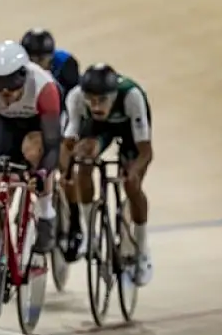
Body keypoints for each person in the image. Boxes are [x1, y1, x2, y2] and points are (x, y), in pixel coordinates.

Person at [0, 40, 62, 253]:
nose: (6, 95)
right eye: (1, 91)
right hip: (7, 126)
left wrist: (43, 173)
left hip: (39, 125)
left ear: (23, 78)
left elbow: (52, 145)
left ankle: (46, 213)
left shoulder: (44, 87)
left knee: (34, 150)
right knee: (0, 186)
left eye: (12, 90)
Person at [60, 63, 154, 285]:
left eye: (101, 100)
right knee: (82, 161)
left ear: (112, 95)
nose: (95, 105)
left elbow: (146, 152)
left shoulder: (132, 96)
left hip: (129, 129)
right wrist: (64, 172)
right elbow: (68, 144)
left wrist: (134, 172)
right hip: (97, 130)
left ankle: (142, 250)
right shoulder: (75, 97)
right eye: (90, 100)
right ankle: (90, 235)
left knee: (132, 185)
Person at [21, 28, 81, 105]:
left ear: (51, 56)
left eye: (40, 60)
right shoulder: (18, 66)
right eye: (31, 60)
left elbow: (74, 96)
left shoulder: (65, 63)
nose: (35, 65)